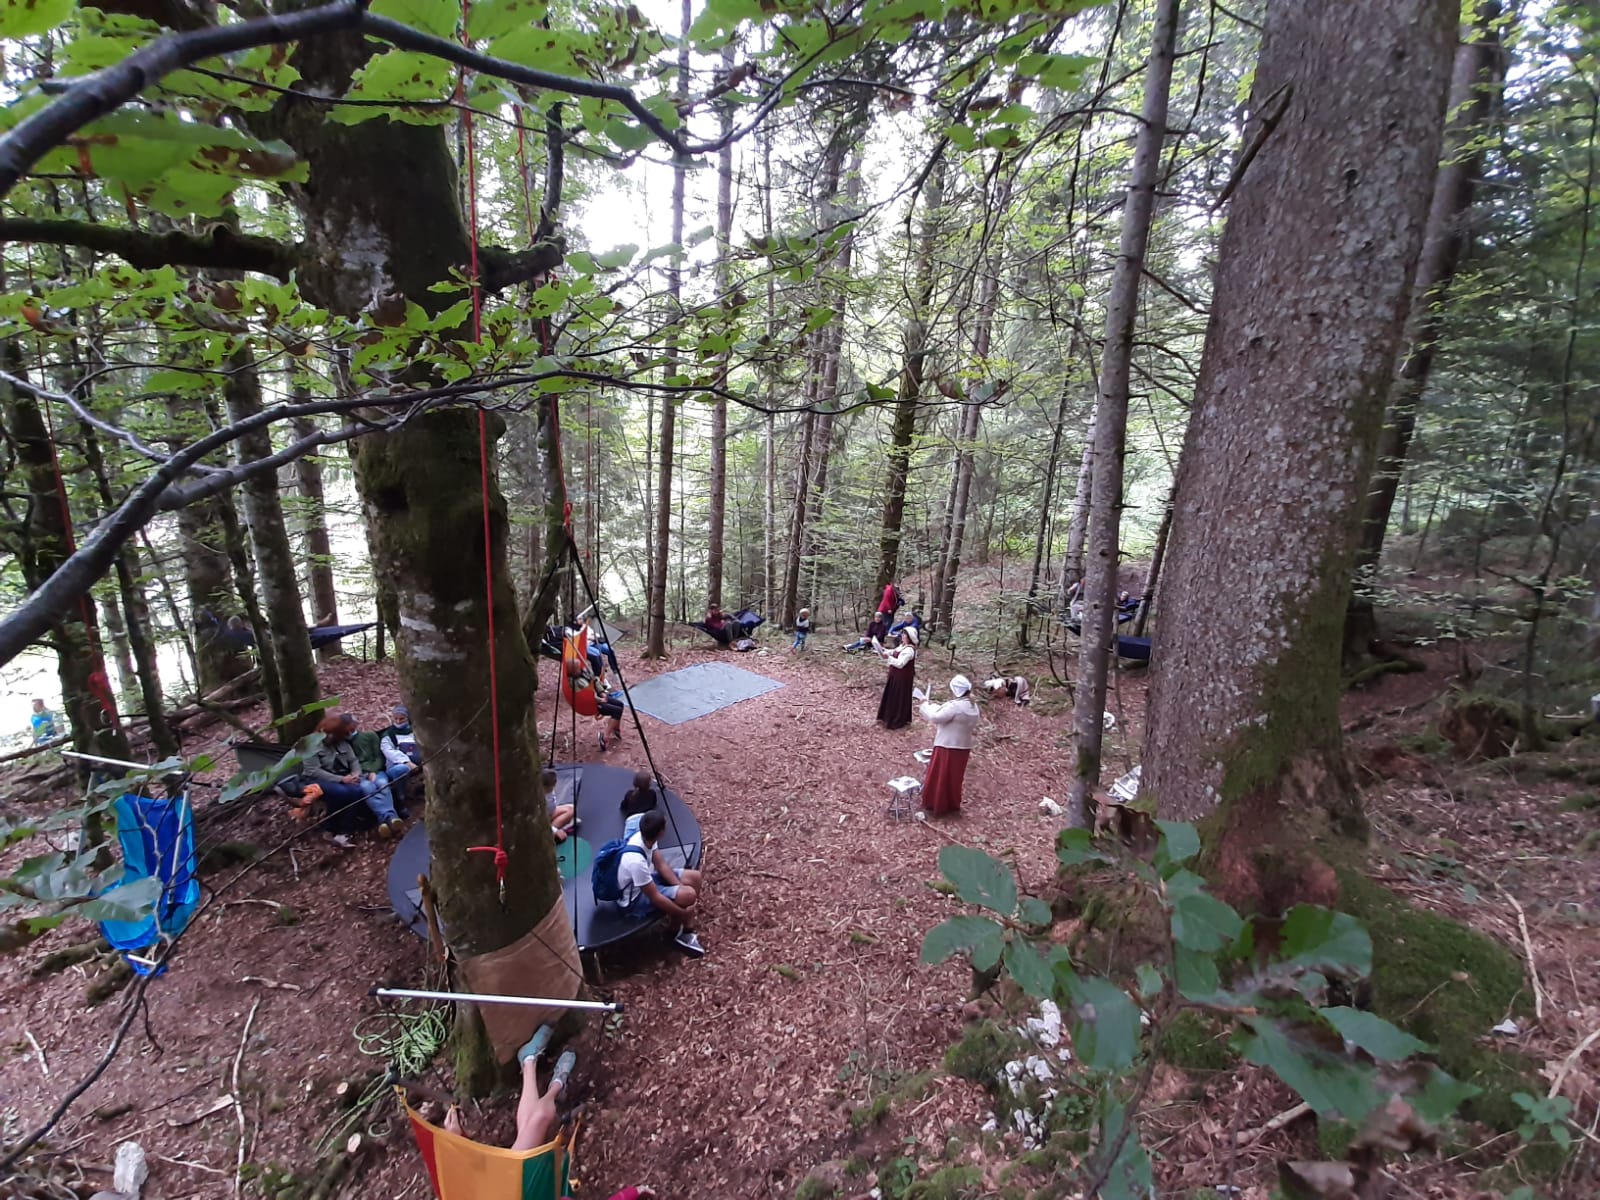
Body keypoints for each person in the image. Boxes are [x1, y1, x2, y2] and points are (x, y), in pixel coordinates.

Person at [620, 810, 705, 956]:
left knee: (694, 878)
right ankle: (673, 933)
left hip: (647, 881)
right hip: (635, 899)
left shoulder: (646, 838)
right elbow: (654, 897)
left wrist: (680, 886)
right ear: (661, 832)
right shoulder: (635, 861)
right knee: (687, 896)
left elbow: (661, 866)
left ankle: (685, 930)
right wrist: (682, 911)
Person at [304, 715, 387, 838]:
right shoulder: (310, 744)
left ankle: (351, 826)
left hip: (343, 776)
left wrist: (355, 774)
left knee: (360, 788)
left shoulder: (341, 742)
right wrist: (341, 779)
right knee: (341, 792)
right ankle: (333, 827)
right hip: (318, 780)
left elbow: (353, 760)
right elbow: (313, 771)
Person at [919, 675, 981, 817]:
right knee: (954, 778)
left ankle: (936, 804)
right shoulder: (972, 705)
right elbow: (944, 712)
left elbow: (935, 717)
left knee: (940, 776)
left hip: (947, 745)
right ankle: (951, 804)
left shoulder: (955, 706)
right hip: (963, 747)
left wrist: (924, 705)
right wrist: (932, 706)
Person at [343, 713, 409, 831]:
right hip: (359, 775)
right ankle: (390, 818)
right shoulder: (343, 744)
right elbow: (347, 764)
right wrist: (364, 774)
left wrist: (373, 771)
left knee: (383, 784)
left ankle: (383, 822)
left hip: (377, 771)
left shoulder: (370, 736)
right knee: (367, 788)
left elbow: (379, 757)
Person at [875, 626, 918, 730]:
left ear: (909, 637)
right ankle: (887, 717)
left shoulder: (909, 650)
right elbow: (894, 651)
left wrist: (888, 658)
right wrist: (883, 650)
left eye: (904, 635)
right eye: (902, 634)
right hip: (895, 676)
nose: (902, 636)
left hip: (902, 678)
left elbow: (900, 663)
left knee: (898, 697)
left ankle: (897, 720)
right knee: (892, 696)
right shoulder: (902, 646)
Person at [542, 767, 576, 843]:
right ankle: (548, 833)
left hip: (548, 814)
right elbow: (536, 819)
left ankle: (550, 829)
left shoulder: (549, 791)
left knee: (571, 809)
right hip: (539, 821)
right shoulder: (537, 799)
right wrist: (554, 830)